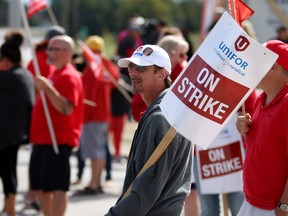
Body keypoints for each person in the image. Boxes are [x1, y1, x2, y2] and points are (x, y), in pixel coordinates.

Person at [105, 44, 193, 216]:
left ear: (162, 73)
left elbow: (145, 190)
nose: (133, 72)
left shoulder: (160, 117)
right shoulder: (170, 107)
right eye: (131, 66)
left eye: (141, 67)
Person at [29, 35, 84, 216]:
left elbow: (66, 108)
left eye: (54, 49)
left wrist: (48, 89)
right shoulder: (55, 72)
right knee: (43, 189)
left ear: (67, 52)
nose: (49, 52)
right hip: (43, 139)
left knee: (57, 188)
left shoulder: (69, 76)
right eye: (49, 49)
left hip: (58, 139)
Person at [236, 40, 288, 216]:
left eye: (258, 61)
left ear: (273, 66)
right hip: (252, 202)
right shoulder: (262, 98)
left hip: (272, 208)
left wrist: (284, 207)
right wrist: (246, 132)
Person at [74, 35, 119, 195]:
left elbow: (87, 96)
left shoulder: (91, 69)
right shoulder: (104, 65)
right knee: (99, 151)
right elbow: (115, 79)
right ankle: (96, 182)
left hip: (93, 116)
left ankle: (93, 184)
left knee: (94, 152)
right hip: (103, 114)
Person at [0, 30, 34, 216]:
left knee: (6, 170)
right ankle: (8, 203)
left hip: (5, 132)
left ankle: (10, 204)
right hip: (17, 131)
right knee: (9, 168)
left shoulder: (7, 77)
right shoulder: (24, 74)